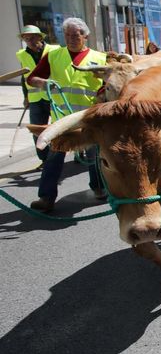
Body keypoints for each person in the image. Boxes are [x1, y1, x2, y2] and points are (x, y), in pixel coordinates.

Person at [26, 17, 107, 212]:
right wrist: (43, 83)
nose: (71, 38)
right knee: (53, 157)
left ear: (85, 36)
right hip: (61, 119)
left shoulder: (99, 58)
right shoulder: (54, 56)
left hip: (88, 118)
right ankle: (46, 198)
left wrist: (103, 97)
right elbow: (32, 78)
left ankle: (99, 188)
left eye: (76, 35)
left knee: (94, 155)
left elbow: (106, 85)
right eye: (68, 35)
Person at [16, 25, 60, 161]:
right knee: (36, 131)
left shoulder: (54, 50)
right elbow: (24, 78)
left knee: (58, 129)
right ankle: (45, 160)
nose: (29, 41)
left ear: (40, 37)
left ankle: (72, 152)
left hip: (54, 96)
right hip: (35, 98)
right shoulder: (22, 54)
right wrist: (26, 97)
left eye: (32, 37)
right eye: (26, 38)